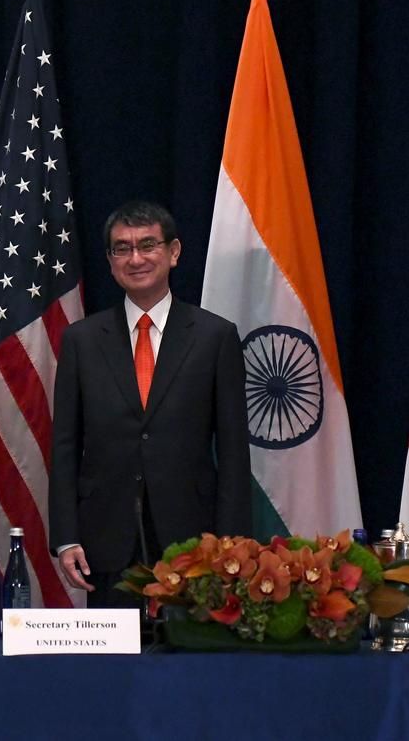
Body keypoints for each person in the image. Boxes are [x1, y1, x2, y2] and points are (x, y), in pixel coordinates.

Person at [49, 200, 251, 607]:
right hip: (105, 539)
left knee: (187, 649)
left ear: (173, 252)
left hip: (195, 543)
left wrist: (231, 543)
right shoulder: (81, 341)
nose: (135, 258)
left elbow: (233, 452)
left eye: (147, 245)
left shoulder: (214, 337)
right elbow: (65, 446)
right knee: (113, 650)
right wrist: (66, 536)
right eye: (122, 248)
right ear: (110, 261)